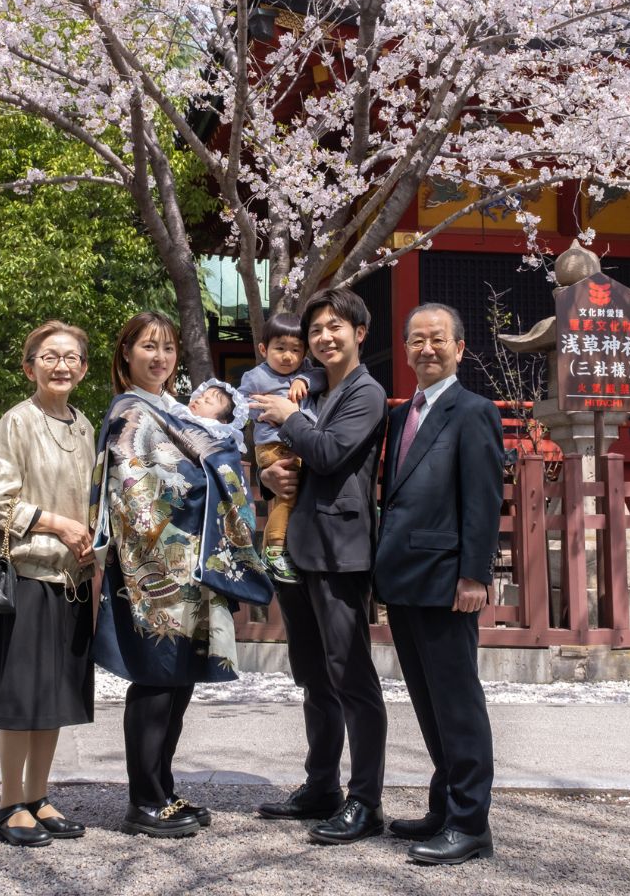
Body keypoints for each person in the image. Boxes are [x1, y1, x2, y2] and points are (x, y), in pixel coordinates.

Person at [91, 312, 273, 838]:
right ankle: (143, 800)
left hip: (190, 566)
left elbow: (214, 457)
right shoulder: (129, 411)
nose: (161, 357)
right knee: (155, 677)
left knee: (178, 681)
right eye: (148, 347)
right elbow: (132, 492)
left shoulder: (171, 408)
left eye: (168, 347)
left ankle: (162, 790)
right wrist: (201, 489)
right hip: (155, 567)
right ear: (126, 353)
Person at [251, 287, 389, 845]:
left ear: (360, 332)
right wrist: (269, 477)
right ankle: (321, 786)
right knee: (312, 675)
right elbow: (302, 462)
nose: (325, 337)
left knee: (351, 677)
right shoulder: (321, 393)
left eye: (336, 326)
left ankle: (366, 800)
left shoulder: (365, 393)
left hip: (341, 552)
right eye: (316, 331)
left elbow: (329, 453)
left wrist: (288, 417)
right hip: (301, 546)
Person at [375, 303, 503, 865]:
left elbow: (483, 498)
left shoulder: (472, 411)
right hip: (405, 579)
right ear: (405, 350)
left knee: (457, 702)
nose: (426, 349)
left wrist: (476, 573)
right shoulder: (402, 416)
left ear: (458, 346)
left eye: (437, 340)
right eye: (416, 341)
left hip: (449, 579)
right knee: (426, 701)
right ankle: (443, 805)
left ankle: (471, 822)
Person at [0, 321, 97, 848]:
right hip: (28, 574)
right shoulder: (17, 422)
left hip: (72, 577)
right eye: (49, 357)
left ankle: (39, 795)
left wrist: (93, 534)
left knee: (54, 697)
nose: (61, 365)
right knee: (23, 696)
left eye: (71, 357)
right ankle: (9, 802)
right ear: (30, 367)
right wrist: (60, 524)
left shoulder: (85, 425)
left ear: (84, 368)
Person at [238, 313, 319, 582]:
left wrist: (303, 381)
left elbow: (319, 376)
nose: (288, 356)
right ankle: (273, 548)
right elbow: (240, 406)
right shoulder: (257, 377)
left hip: (297, 443)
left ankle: (274, 550)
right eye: (280, 348)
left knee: (291, 495)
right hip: (274, 443)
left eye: (295, 350)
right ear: (264, 349)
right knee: (288, 495)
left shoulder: (304, 372)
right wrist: (263, 412)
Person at [184, 377, 250, 453]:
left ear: (222, 422)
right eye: (200, 396)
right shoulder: (175, 415)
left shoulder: (222, 447)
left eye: (207, 401)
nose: (198, 400)